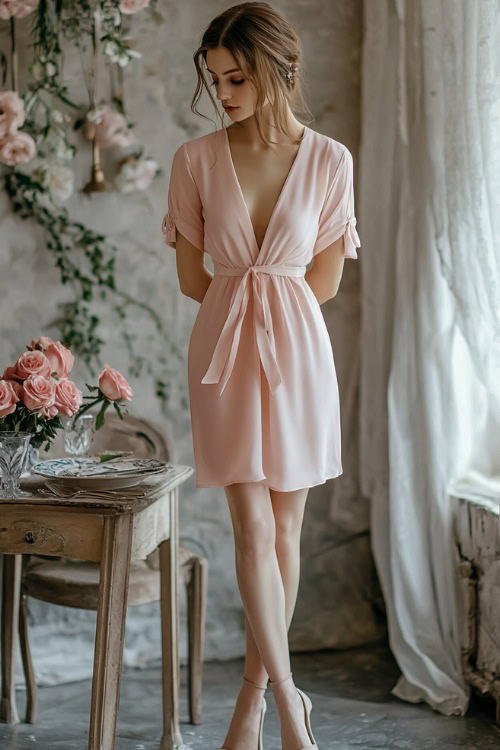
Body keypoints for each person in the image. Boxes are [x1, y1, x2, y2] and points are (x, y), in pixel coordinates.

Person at [161, 3, 361, 748]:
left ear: (280, 68)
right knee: (249, 524)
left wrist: (274, 316)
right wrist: (250, 306)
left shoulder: (333, 161)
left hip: (299, 353)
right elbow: (192, 278)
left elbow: (328, 279)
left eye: (238, 77)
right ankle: (288, 706)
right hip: (223, 351)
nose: (225, 92)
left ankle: (251, 692)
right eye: (215, 80)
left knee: (284, 529)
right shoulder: (194, 159)